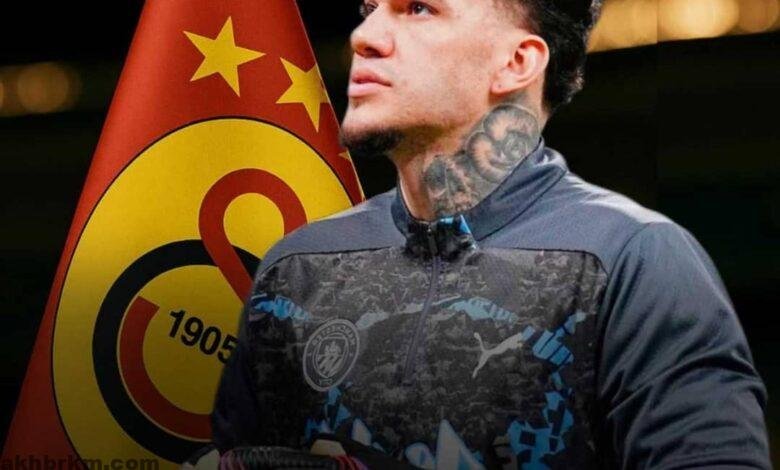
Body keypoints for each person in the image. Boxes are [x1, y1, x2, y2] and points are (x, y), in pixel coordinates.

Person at [207, 0, 771, 468]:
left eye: (418, 9)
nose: (366, 36)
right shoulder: (297, 268)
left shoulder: (634, 259)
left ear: (516, 62)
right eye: (370, 8)